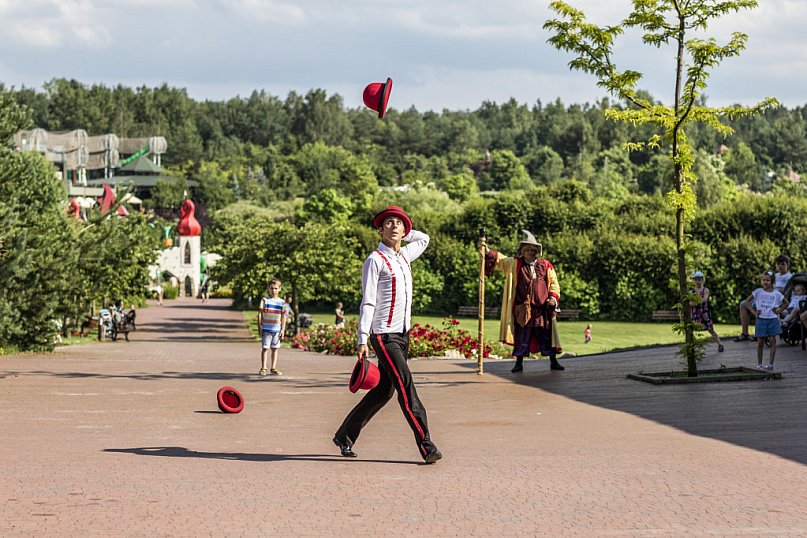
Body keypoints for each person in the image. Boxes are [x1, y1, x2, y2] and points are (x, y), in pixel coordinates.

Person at [333, 206, 442, 464]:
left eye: (399, 224)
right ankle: (427, 445)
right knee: (406, 387)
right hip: (383, 335)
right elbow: (367, 302)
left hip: (402, 334)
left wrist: (406, 232)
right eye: (388, 223)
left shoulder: (404, 256)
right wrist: (362, 338)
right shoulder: (374, 260)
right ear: (379, 230)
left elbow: (424, 238)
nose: (394, 226)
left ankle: (344, 436)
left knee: (384, 391)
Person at [480, 229, 564, 373]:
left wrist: (552, 298)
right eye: (527, 250)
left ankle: (553, 361)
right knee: (522, 337)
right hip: (522, 310)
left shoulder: (545, 265)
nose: (530, 252)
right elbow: (500, 259)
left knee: (545, 336)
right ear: (522, 251)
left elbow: (554, 283)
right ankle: (519, 363)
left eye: (533, 250)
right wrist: (487, 251)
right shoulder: (514, 263)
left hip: (541, 310)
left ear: (537, 251)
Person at [736, 254, 792, 341]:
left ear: (787, 265)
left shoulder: (790, 277)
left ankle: (759, 333)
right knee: (743, 304)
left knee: (760, 305)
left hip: (775, 301)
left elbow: (785, 291)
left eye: (783, 264)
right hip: (765, 296)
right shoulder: (774, 276)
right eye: (778, 264)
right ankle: (745, 333)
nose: (780, 266)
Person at [741, 269, 787, 370]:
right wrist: (753, 312)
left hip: (772, 320)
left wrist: (779, 310)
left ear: (772, 282)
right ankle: (759, 364)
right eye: (763, 280)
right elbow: (746, 302)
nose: (765, 282)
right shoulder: (758, 292)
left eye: (768, 280)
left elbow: (786, 303)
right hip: (761, 320)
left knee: (772, 341)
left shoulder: (776, 294)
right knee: (760, 342)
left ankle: (770, 364)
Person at [690, 271, 724, 352]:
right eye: (696, 280)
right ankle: (692, 345)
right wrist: (696, 302)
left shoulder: (705, 290)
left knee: (710, 329)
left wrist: (696, 302)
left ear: (702, 280)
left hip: (704, 313)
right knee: (691, 329)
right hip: (695, 313)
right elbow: (690, 303)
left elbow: (704, 299)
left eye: (699, 279)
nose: (698, 281)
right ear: (694, 280)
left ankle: (720, 344)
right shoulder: (691, 291)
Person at [258, 278, 287, 376]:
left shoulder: (282, 302)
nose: (273, 291)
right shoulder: (265, 300)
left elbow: (283, 316)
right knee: (265, 348)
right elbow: (260, 314)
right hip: (266, 328)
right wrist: (260, 326)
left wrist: (282, 329)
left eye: (275, 288)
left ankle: (273, 367)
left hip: (276, 329)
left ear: (279, 289)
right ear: (268, 289)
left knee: (275, 348)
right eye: (271, 288)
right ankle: (263, 367)